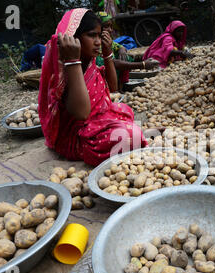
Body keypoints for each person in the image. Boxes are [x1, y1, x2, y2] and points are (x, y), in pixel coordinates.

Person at [38, 9, 148, 167]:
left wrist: (108, 52)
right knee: (130, 135)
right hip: (77, 137)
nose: (97, 41)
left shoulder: (89, 61)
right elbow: (82, 114)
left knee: (123, 109)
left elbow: (113, 87)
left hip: (96, 122)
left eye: (99, 35)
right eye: (91, 35)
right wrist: (73, 61)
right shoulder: (65, 70)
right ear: (73, 38)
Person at [95, 11, 159, 91]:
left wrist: (122, 49)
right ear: (97, 27)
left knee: (125, 57)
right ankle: (113, 89)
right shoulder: (96, 44)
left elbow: (118, 46)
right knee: (120, 62)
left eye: (111, 26)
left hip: (113, 71)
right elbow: (112, 63)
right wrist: (143, 65)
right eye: (106, 26)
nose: (110, 30)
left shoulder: (107, 40)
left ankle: (121, 87)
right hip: (102, 77)